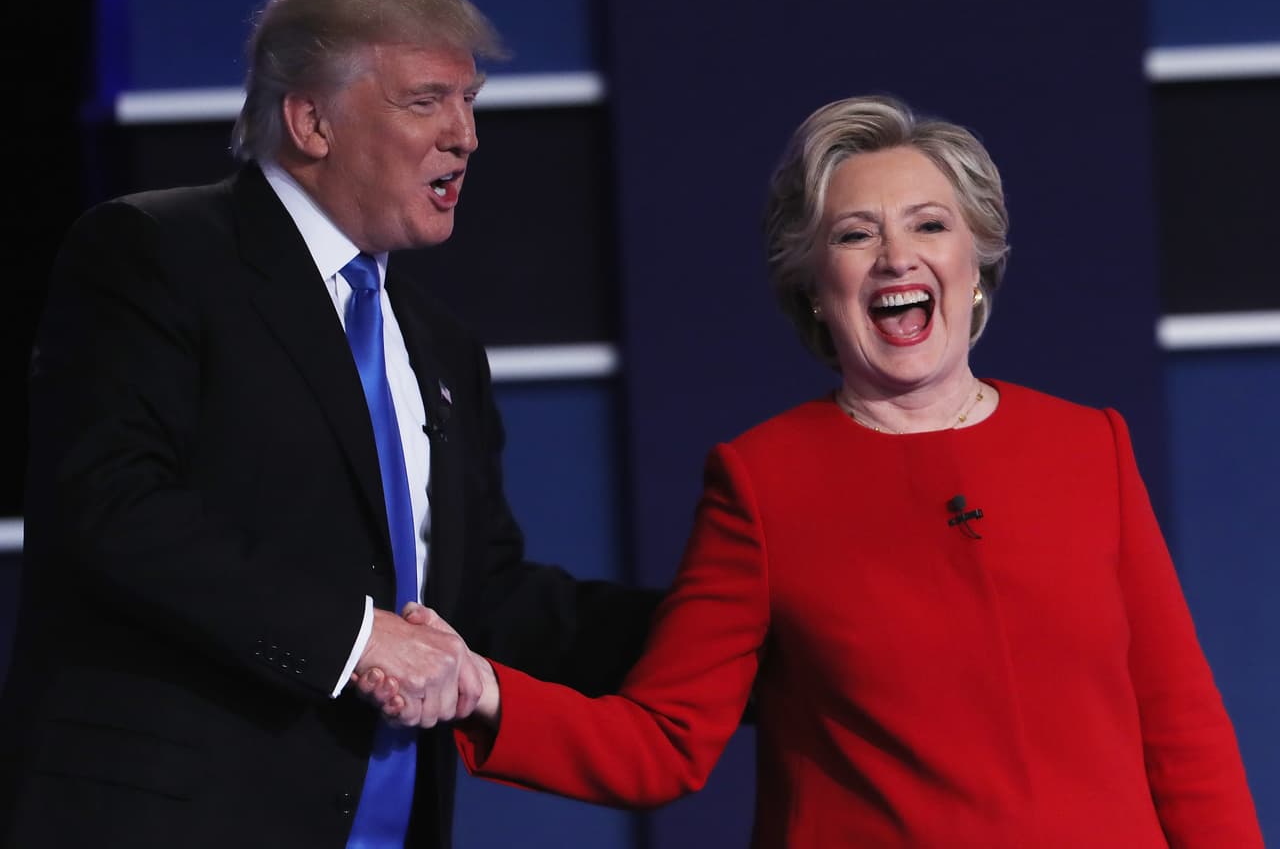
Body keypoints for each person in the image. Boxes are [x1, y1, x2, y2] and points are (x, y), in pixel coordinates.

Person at [379, 96, 1263, 846]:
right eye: (855, 233)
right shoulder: (764, 481)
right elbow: (666, 739)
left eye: (929, 224)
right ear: (814, 284)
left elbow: (1182, 727)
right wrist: (484, 689)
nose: (897, 257)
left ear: (976, 260)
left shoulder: (1087, 446)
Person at [0, 0, 654, 849]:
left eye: (471, 101)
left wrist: (733, 636)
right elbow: (110, 506)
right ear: (311, 120)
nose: (465, 136)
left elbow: (485, 602)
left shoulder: (438, 342)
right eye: (427, 101)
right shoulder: (156, 252)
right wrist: (354, 638)